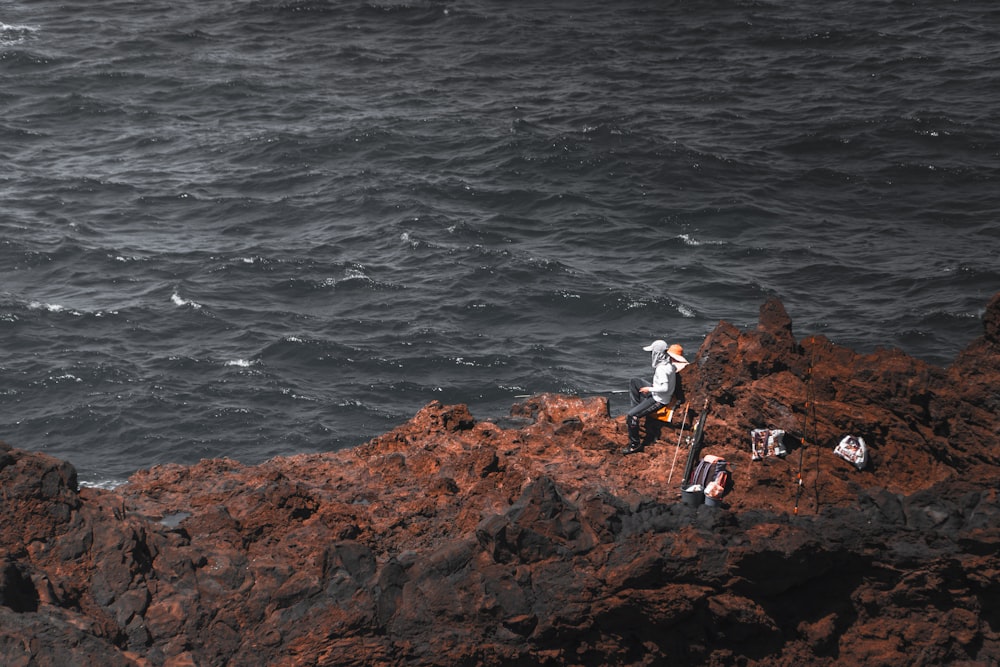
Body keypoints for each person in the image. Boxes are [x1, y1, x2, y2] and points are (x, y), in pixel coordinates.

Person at [623, 340, 689, 455]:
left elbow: (664, 388)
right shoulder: (669, 364)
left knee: (631, 416)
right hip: (659, 393)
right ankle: (638, 410)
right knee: (635, 382)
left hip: (659, 400)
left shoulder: (661, 369)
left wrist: (649, 389)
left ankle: (635, 444)